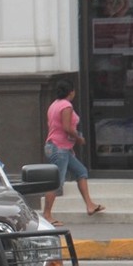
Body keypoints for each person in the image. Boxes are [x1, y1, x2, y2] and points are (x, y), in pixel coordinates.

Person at [42, 79, 105, 226]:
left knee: (81, 171)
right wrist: (78, 138)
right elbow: (66, 127)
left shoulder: (54, 105)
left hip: (57, 146)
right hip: (59, 148)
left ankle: (89, 205)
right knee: (56, 182)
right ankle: (47, 214)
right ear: (71, 92)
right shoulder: (66, 105)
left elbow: (53, 125)